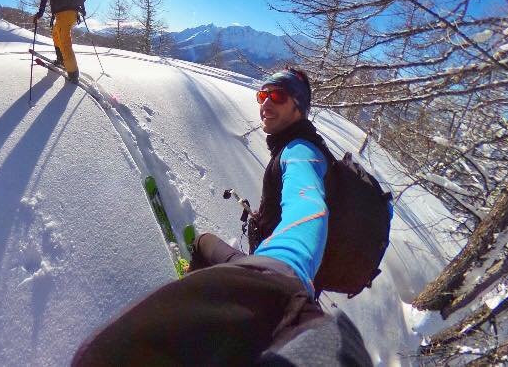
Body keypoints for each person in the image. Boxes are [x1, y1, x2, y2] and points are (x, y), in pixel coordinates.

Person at [71, 68, 373, 366]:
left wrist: (281, 265)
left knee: (203, 244)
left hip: (278, 276)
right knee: (204, 243)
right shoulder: (301, 146)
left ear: (299, 107)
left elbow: (309, 207)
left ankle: (199, 287)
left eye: (278, 96)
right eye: (263, 94)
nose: (266, 103)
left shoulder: (300, 152)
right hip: (293, 274)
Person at [32, 0, 86, 84]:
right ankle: (61, 60)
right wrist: (39, 14)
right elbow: (44, 0)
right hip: (61, 15)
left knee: (64, 42)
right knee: (56, 35)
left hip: (67, 13)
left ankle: (73, 73)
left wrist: (80, 6)